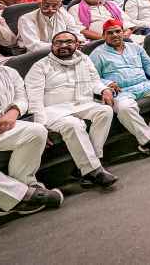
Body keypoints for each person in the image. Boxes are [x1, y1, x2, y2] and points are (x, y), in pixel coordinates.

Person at [0, 32, 64, 216]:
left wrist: (13, 112)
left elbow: (21, 97)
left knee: (36, 131)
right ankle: (28, 195)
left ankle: (23, 186)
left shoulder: (7, 72)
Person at [24, 31, 118, 188]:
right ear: (52, 46)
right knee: (74, 124)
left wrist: (104, 90)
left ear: (77, 45)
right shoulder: (40, 66)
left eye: (68, 42)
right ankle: (94, 171)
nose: (63, 46)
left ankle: (89, 164)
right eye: (58, 43)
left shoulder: (84, 60)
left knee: (105, 111)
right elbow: (34, 99)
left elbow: (95, 81)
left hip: (81, 102)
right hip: (53, 109)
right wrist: (40, 125)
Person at [88, 21, 150, 158]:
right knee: (125, 108)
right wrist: (108, 83)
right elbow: (93, 77)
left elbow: (148, 63)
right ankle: (149, 140)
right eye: (110, 33)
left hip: (143, 83)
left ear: (123, 32)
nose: (115, 35)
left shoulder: (135, 47)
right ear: (103, 36)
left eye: (117, 31)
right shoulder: (97, 54)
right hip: (121, 90)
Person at [17, 0, 86, 52]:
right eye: (46, 5)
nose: (50, 9)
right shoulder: (26, 19)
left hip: (65, 50)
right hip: (37, 54)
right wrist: (63, 46)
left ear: (60, 6)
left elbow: (75, 33)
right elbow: (33, 45)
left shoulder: (65, 16)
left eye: (54, 6)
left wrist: (79, 41)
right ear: (40, 4)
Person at [68, 0, 137, 41]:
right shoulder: (75, 8)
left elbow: (128, 23)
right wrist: (105, 38)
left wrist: (125, 35)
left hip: (122, 38)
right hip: (96, 41)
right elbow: (80, 30)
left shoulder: (112, 4)